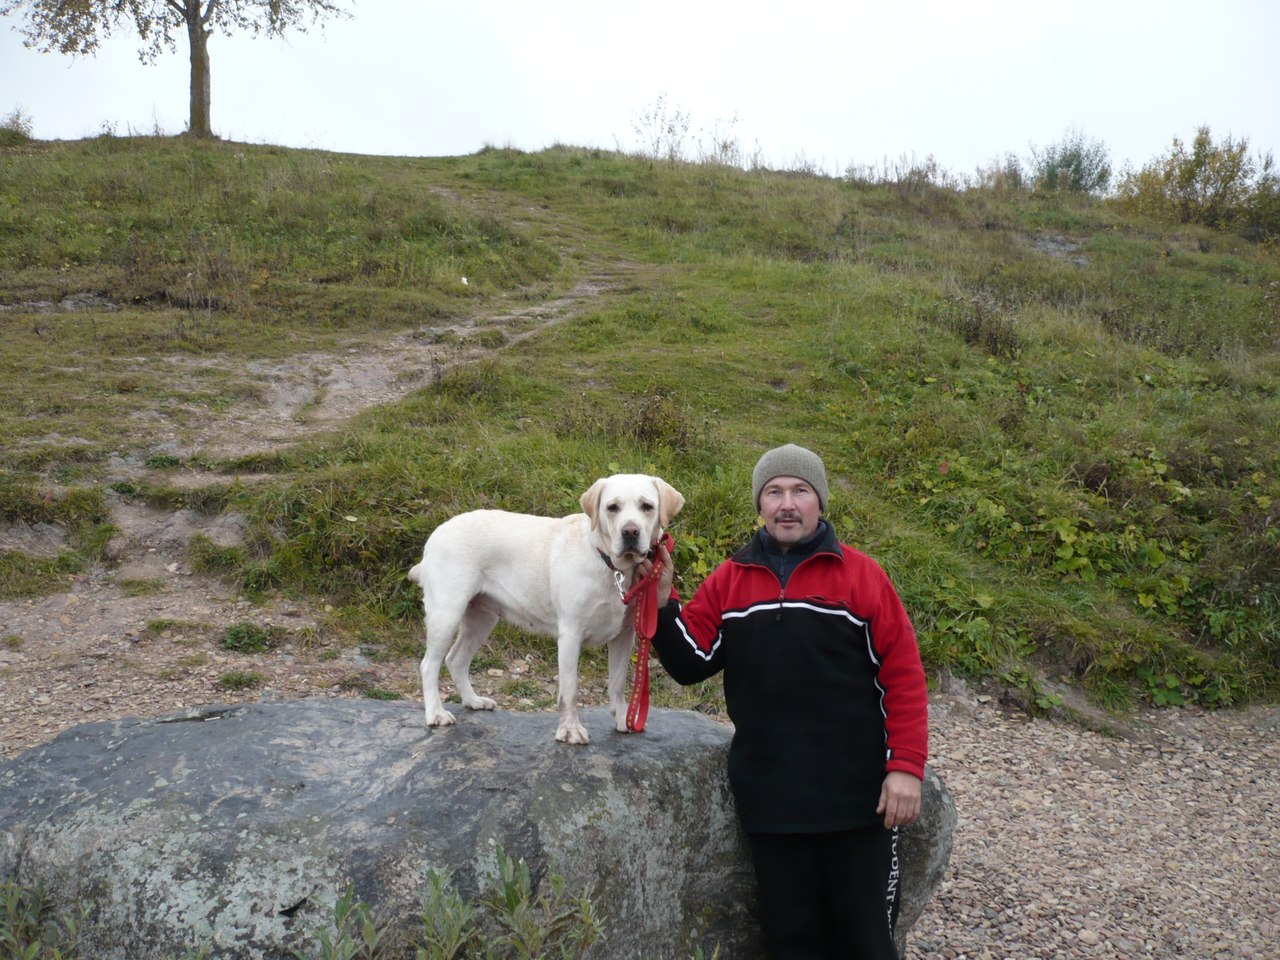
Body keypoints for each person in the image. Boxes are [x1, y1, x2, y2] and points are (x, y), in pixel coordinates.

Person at [643, 443, 928, 960]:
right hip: (772, 803)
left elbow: (903, 676)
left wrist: (905, 768)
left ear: (820, 501)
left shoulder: (862, 576)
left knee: (867, 943)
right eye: (774, 492)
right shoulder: (731, 579)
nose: (787, 504)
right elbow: (691, 662)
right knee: (790, 944)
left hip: (859, 804)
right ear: (760, 504)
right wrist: (663, 602)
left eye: (801, 491)